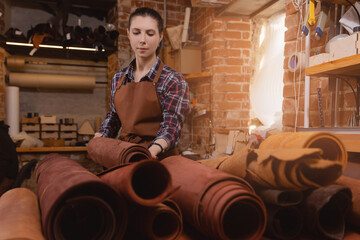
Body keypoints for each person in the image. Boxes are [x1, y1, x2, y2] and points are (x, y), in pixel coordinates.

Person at [95, 7, 190, 160]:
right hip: (126, 155)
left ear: (160, 37)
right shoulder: (119, 78)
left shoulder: (172, 79)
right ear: (128, 34)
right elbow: (114, 117)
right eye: (136, 32)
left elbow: (172, 125)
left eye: (150, 33)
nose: (142, 40)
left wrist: (153, 150)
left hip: (158, 159)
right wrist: (101, 137)